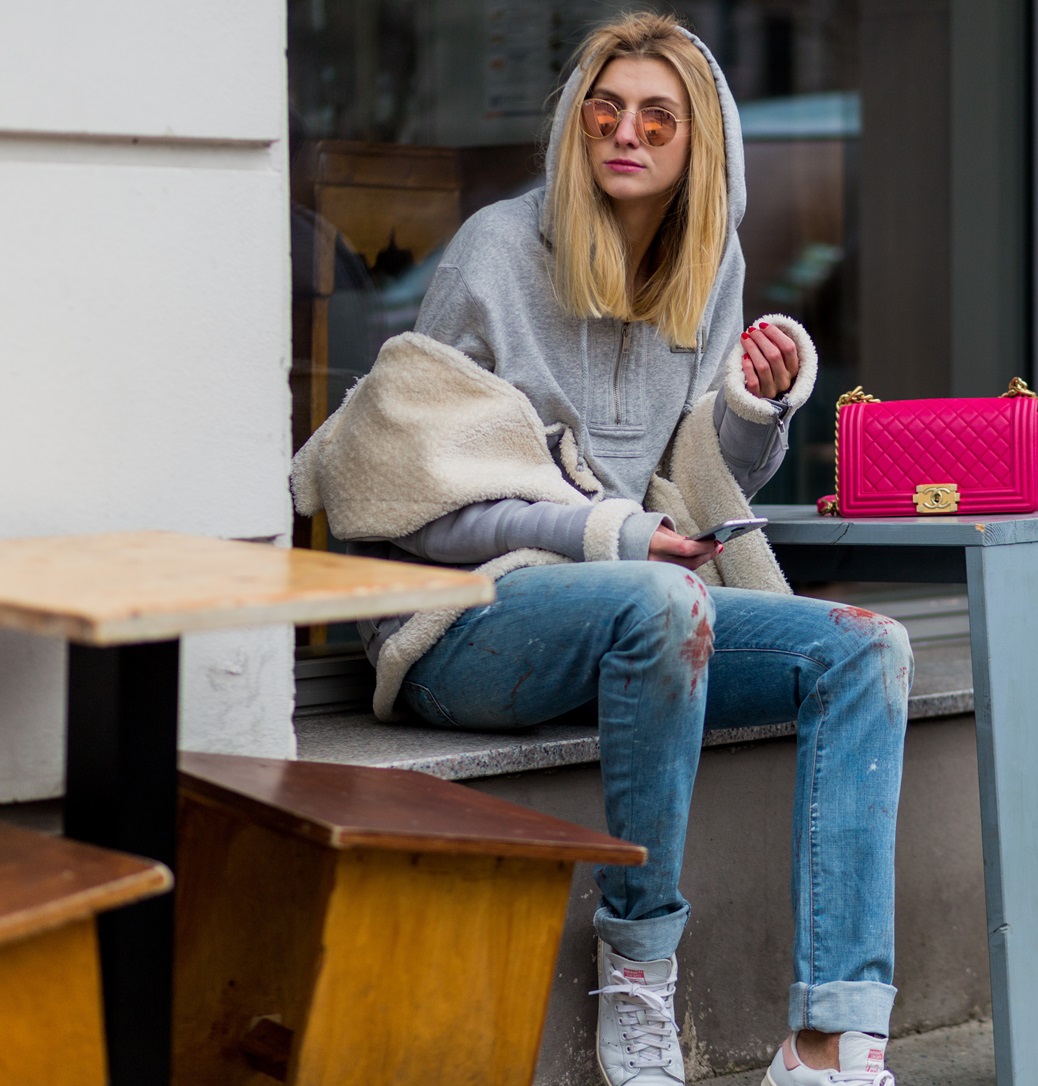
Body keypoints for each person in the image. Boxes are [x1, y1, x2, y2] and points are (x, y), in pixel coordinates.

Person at [292, 13, 909, 1086]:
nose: (625, 132)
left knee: (866, 646)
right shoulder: (495, 251)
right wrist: (615, 535)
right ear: (576, 123)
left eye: (656, 118)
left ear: (696, 148)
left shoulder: (707, 270)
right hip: (465, 623)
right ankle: (637, 968)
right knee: (660, 604)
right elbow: (408, 497)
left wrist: (755, 408)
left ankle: (830, 1042)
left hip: (631, 619)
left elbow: (698, 480)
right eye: (605, 108)